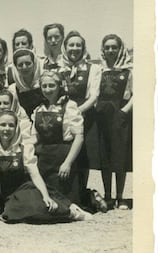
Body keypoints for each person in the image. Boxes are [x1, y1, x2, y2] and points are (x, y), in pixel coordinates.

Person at [0, 110, 92, 223]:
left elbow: (34, 174)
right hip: (5, 193)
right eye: (3, 125)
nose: (7, 129)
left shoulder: (23, 148)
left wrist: (45, 196)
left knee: (39, 206)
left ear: (16, 128)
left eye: (11, 125)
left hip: (25, 189)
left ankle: (70, 213)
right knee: (12, 212)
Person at [59, 31, 102, 195]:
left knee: (83, 155)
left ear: (83, 48)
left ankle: (82, 193)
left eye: (78, 45)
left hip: (85, 116)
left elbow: (94, 96)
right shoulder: (59, 68)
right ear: (65, 48)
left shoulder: (93, 68)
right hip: (62, 117)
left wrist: (76, 112)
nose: (74, 48)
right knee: (65, 152)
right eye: (71, 45)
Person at [31, 71, 84, 204]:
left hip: (62, 157)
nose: (47, 90)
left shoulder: (69, 106)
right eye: (44, 86)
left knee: (65, 202)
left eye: (51, 85)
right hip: (44, 158)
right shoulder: (38, 109)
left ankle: (90, 197)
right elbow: (34, 138)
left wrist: (68, 163)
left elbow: (79, 137)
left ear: (59, 86)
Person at [96, 34, 133, 210]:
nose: (111, 50)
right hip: (102, 115)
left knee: (120, 155)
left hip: (120, 114)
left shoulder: (129, 70)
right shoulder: (99, 69)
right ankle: (108, 195)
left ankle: (120, 196)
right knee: (105, 155)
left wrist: (124, 111)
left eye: (114, 47)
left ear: (120, 49)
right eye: (107, 47)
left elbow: (136, 93)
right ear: (103, 50)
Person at [7, 48, 44, 118]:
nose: (24, 67)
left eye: (28, 63)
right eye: (20, 65)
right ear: (16, 67)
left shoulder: (44, 84)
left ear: (34, 64)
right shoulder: (13, 90)